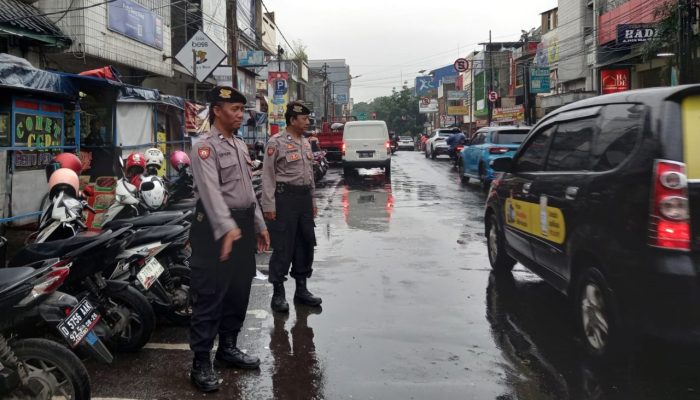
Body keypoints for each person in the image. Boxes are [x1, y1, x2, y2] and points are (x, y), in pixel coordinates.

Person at [188, 86, 270, 392]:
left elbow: (248, 192)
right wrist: (226, 227)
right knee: (210, 294)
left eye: (241, 109)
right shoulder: (205, 147)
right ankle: (200, 362)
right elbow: (210, 192)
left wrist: (258, 223)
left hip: (242, 224)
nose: (240, 115)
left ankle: (227, 348)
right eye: (235, 109)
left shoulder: (239, 145)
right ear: (217, 110)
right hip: (214, 227)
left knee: (238, 290)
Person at [262, 101, 322, 313]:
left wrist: (313, 201)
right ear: (292, 119)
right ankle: (278, 294)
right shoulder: (275, 143)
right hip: (284, 199)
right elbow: (267, 176)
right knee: (283, 246)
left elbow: (311, 176)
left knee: (305, 243)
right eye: (304, 119)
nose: (307, 122)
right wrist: (268, 204)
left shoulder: (306, 143)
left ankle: (302, 289)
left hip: (304, 199)